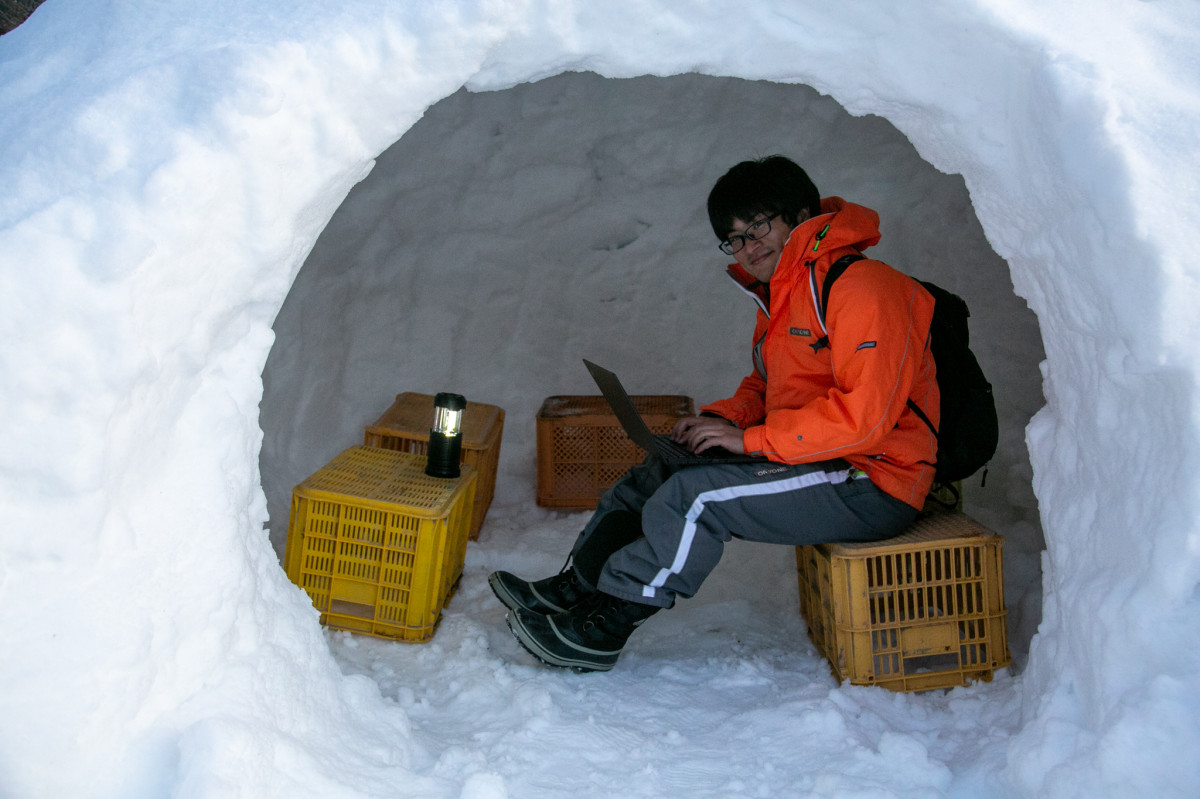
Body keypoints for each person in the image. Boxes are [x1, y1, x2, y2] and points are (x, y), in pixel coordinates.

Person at [490, 155, 940, 672]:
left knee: (696, 499)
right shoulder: (785, 294)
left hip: (872, 478)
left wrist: (749, 442)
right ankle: (576, 589)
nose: (749, 248)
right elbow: (767, 388)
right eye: (735, 238)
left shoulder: (865, 288)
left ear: (800, 214)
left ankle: (605, 626)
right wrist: (721, 421)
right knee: (663, 469)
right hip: (817, 459)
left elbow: (866, 419)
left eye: (758, 227)